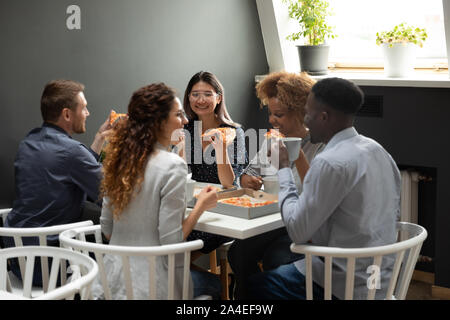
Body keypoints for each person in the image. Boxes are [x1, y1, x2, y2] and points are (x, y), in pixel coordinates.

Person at [247, 77, 401, 300]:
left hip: (345, 282)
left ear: (324, 117)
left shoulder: (329, 161)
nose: (305, 120)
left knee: (257, 286)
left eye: (307, 113)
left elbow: (297, 231)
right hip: (379, 279)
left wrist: (282, 169)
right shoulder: (379, 151)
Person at [92, 82, 221, 300]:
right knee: (215, 286)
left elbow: (107, 230)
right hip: (153, 288)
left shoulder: (119, 161)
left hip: (109, 285)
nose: (186, 120)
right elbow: (171, 242)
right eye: (179, 114)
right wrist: (201, 206)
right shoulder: (172, 166)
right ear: (159, 122)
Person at [228, 71, 324, 299]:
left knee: (277, 258)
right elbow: (249, 172)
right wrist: (245, 180)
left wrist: (295, 156)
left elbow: (316, 197)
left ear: (302, 113)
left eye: (278, 114)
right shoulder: (273, 140)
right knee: (238, 252)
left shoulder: (322, 147)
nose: (271, 120)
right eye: (271, 113)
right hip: (272, 222)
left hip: (303, 230)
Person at [3, 79, 111, 284]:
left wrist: (98, 139)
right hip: (50, 265)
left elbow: (73, 170)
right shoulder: (72, 152)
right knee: (116, 261)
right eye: (84, 108)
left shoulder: (29, 142)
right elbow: (110, 193)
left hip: (16, 259)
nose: (87, 113)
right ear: (67, 114)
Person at [182, 71, 248, 255]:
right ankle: (174, 277)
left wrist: (220, 149)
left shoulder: (234, 132)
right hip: (190, 205)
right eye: (195, 94)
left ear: (218, 98)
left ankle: (174, 278)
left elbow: (229, 184)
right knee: (168, 235)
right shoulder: (184, 129)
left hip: (221, 210)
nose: (201, 100)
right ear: (188, 98)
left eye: (207, 94)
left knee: (183, 247)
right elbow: (178, 174)